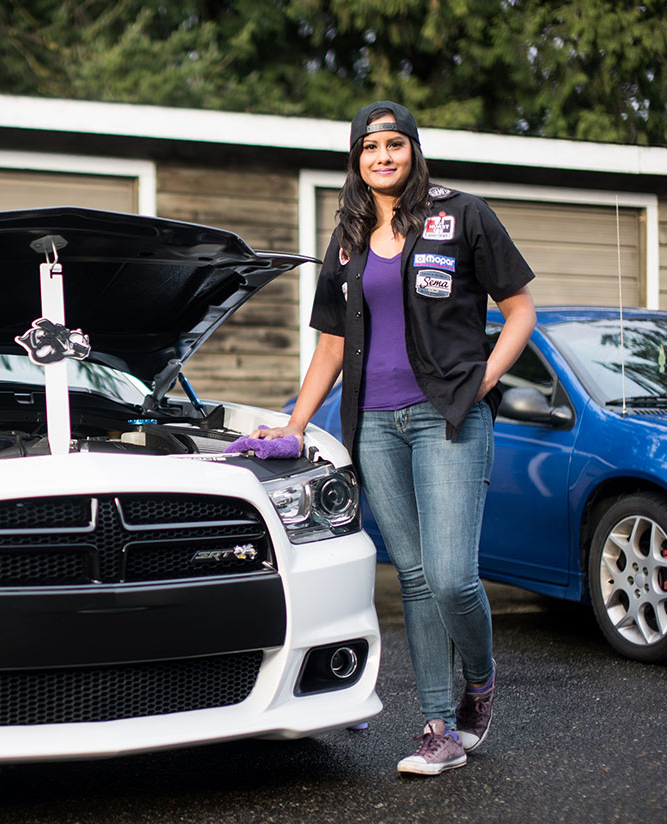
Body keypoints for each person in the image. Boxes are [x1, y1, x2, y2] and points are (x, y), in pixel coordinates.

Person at [253, 100, 536, 775]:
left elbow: (520, 310)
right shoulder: (347, 235)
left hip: (448, 416)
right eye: (370, 146)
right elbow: (330, 343)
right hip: (373, 423)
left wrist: (482, 381)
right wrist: (295, 423)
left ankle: (482, 677)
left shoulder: (462, 214)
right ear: (356, 158)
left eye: (394, 144)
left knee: (451, 577)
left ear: (413, 150)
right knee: (411, 577)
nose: (382, 156)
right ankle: (437, 726)